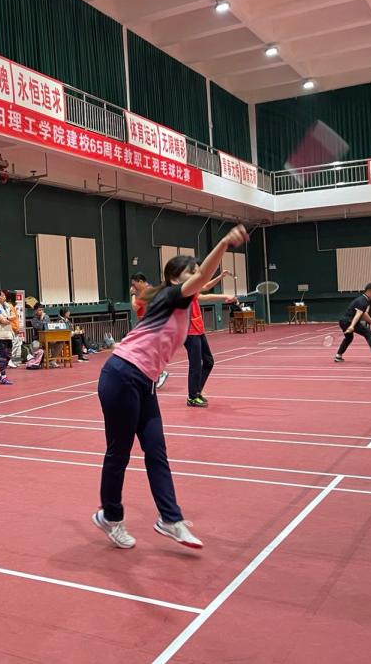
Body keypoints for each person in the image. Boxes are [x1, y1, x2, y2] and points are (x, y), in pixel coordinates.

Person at [93, 224, 249, 551]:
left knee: (156, 450)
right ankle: (110, 516)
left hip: (145, 381)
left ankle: (169, 518)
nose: (199, 277)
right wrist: (223, 242)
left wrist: (219, 289)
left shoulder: (181, 301)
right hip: (121, 375)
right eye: (193, 273)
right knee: (119, 452)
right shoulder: (170, 295)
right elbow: (203, 276)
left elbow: (204, 284)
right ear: (177, 278)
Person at [185, 271, 236, 408]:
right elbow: (205, 297)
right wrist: (225, 296)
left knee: (209, 361)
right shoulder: (186, 289)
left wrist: (220, 277)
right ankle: (192, 397)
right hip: (190, 333)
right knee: (195, 365)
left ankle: (197, 391)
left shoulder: (193, 287)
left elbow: (206, 286)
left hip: (199, 331)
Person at [130, 274, 169, 390]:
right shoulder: (149, 290)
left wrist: (132, 294)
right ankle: (151, 375)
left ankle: (160, 373)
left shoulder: (146, 292)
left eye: (134, 284)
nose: (133, 287)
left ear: (140, 281)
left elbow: (135, 307)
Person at [335, 283, 371, 362]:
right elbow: (358, 315)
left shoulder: (365, 300)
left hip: (343, 322)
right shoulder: (362, 301)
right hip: (349, 322)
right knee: (369, 333)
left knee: (348, 338)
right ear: (368, 292)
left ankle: (338, 356)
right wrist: (352, 326)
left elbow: (364, 314)